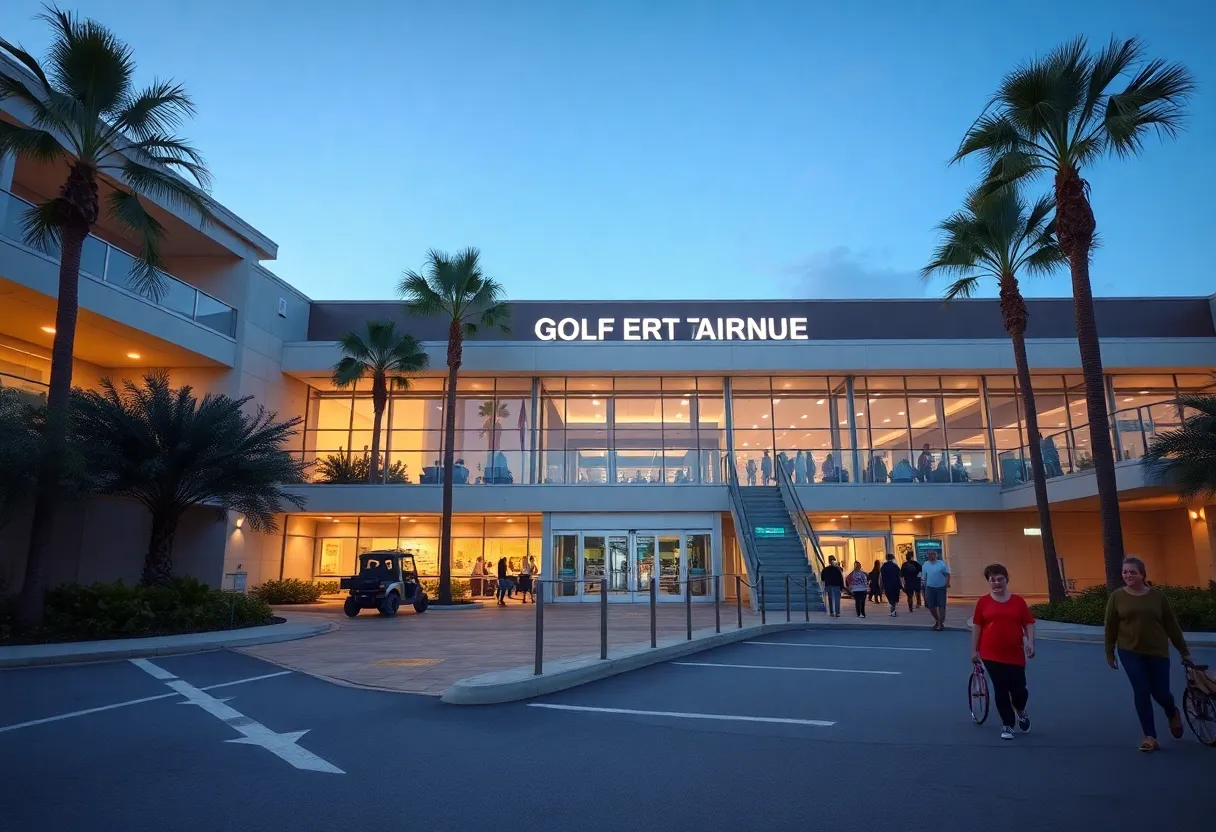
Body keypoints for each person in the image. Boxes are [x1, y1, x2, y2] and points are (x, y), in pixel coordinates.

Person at [1104, 556, 1192, 752]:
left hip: (1157, 651)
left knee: (1161, 693)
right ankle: (1150, 736)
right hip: (1129, 651)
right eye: (1125, 572)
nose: (1128, 575)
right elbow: (1110, 626)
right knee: (1141, 691)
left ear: (1142, 574)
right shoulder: (1117, 597)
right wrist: (1109, 651)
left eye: (1132, 572)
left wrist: (1184, 651)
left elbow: (1172, 626)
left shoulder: (1158, 597)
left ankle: (1172, 711)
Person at [971, 563, 1036, 740]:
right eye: (993, 580)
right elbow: (977, 626)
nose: (997, 583)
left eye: (1000, 579)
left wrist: (1030, 642)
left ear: (1007, 580)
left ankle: (1020, 710)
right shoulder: (983, 602)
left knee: (1019, 690)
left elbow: (1028, 623)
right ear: (988, 582)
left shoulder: (1018, 601)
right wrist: (974, 650)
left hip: (1015, 653)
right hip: (991, 653)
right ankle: (1007, 724)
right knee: (1000, 688)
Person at [921, 548, 951, 630]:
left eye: (934, 554)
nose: (932, 556)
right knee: (931, 606)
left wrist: (947, 583)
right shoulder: (925, 565)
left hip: (941, 587)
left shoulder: (941, 563)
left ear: (936, 555)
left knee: (941, 605)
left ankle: (941, 623)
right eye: (930, 554)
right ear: (927, 555)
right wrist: (923, 586)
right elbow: (924, 576)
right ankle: (937, 620)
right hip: (929, 587)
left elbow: (947, 574)